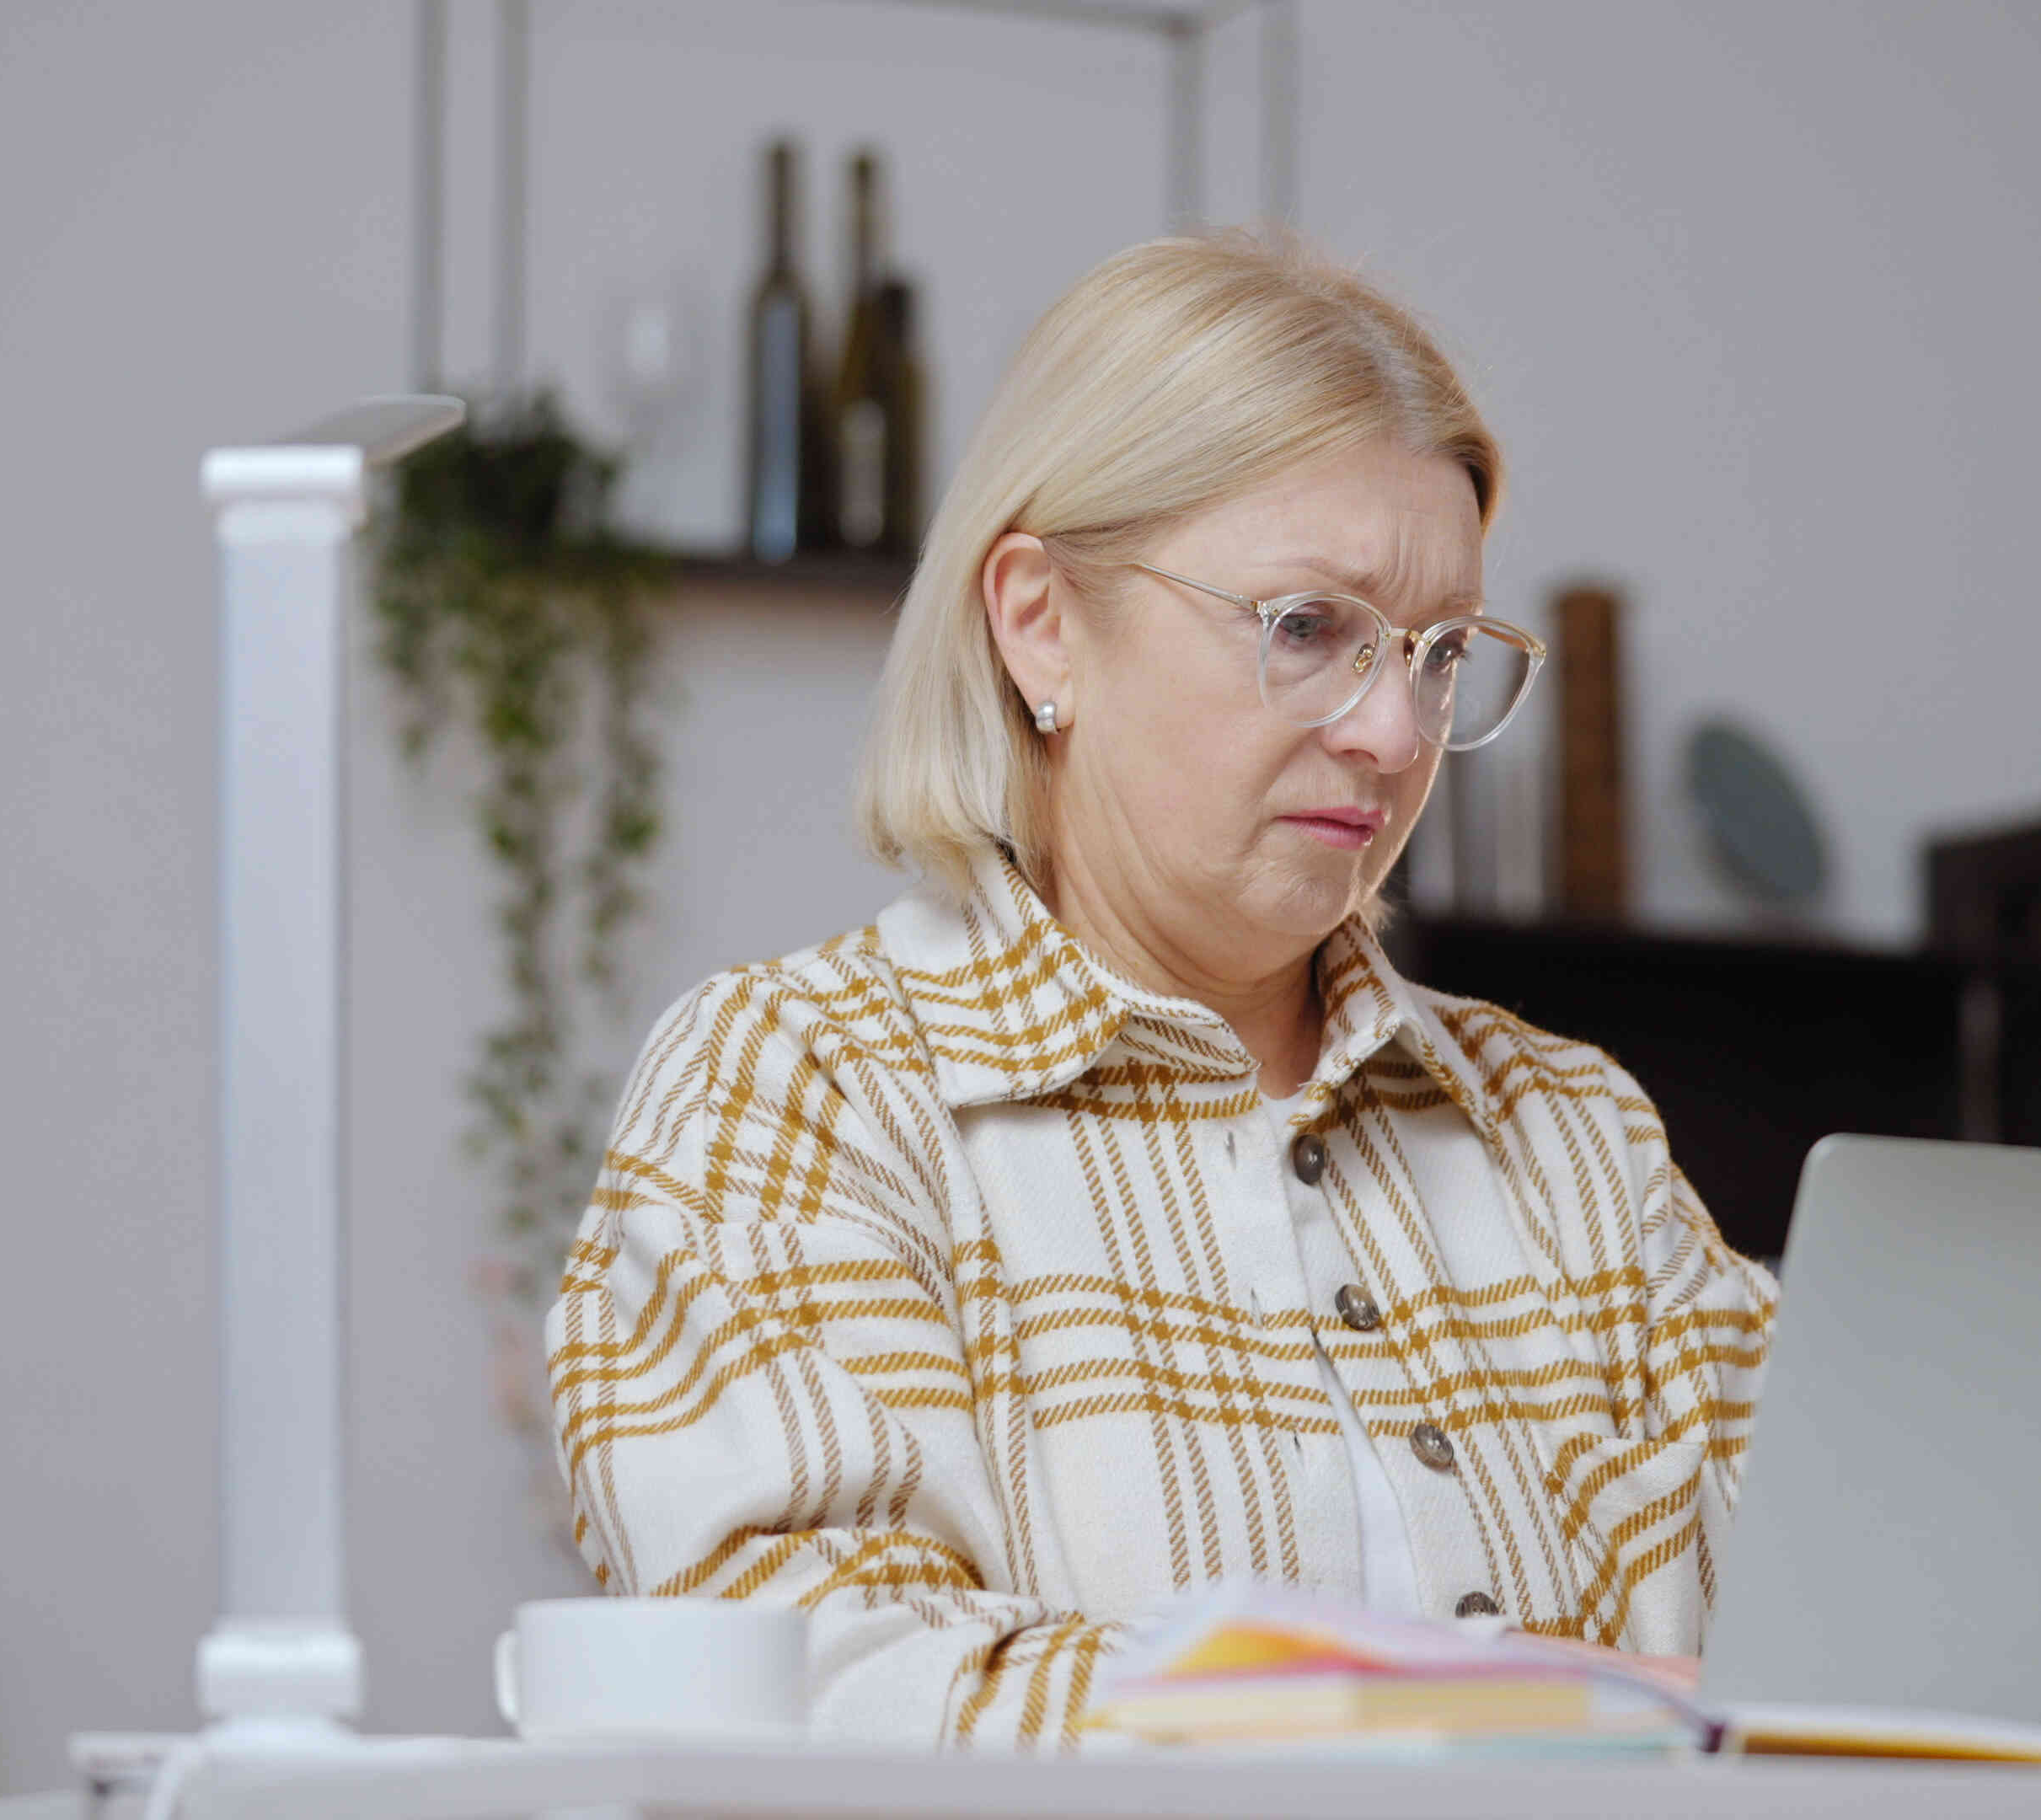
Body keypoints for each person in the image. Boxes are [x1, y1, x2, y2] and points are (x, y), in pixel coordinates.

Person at [544, 228, 1775, 1749]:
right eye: (1309, 627)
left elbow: (1835, 1666)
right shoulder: (801, 1085)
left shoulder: (1573, 1138)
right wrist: (1480, 1714)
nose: (1395, 732)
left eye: (1441, 652)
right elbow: (821, 1702)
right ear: (1040, 622)